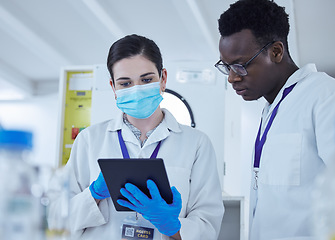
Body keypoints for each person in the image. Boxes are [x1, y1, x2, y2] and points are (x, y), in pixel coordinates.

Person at [48, 34, 224, 240]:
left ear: (163, 78)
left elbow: (208, 225)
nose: (137, 89)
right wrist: (93, 195)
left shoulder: (196, 144)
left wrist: (173, 226)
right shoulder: (89, 140)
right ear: (113, 87)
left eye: (147, 79)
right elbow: (56, 220)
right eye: (125, 83)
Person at [215, 0, 335, 239]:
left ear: (276, 52)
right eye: (227, 67)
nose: (231, 78)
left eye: (240, 66)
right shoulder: (273, 109)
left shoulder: (325, 96)